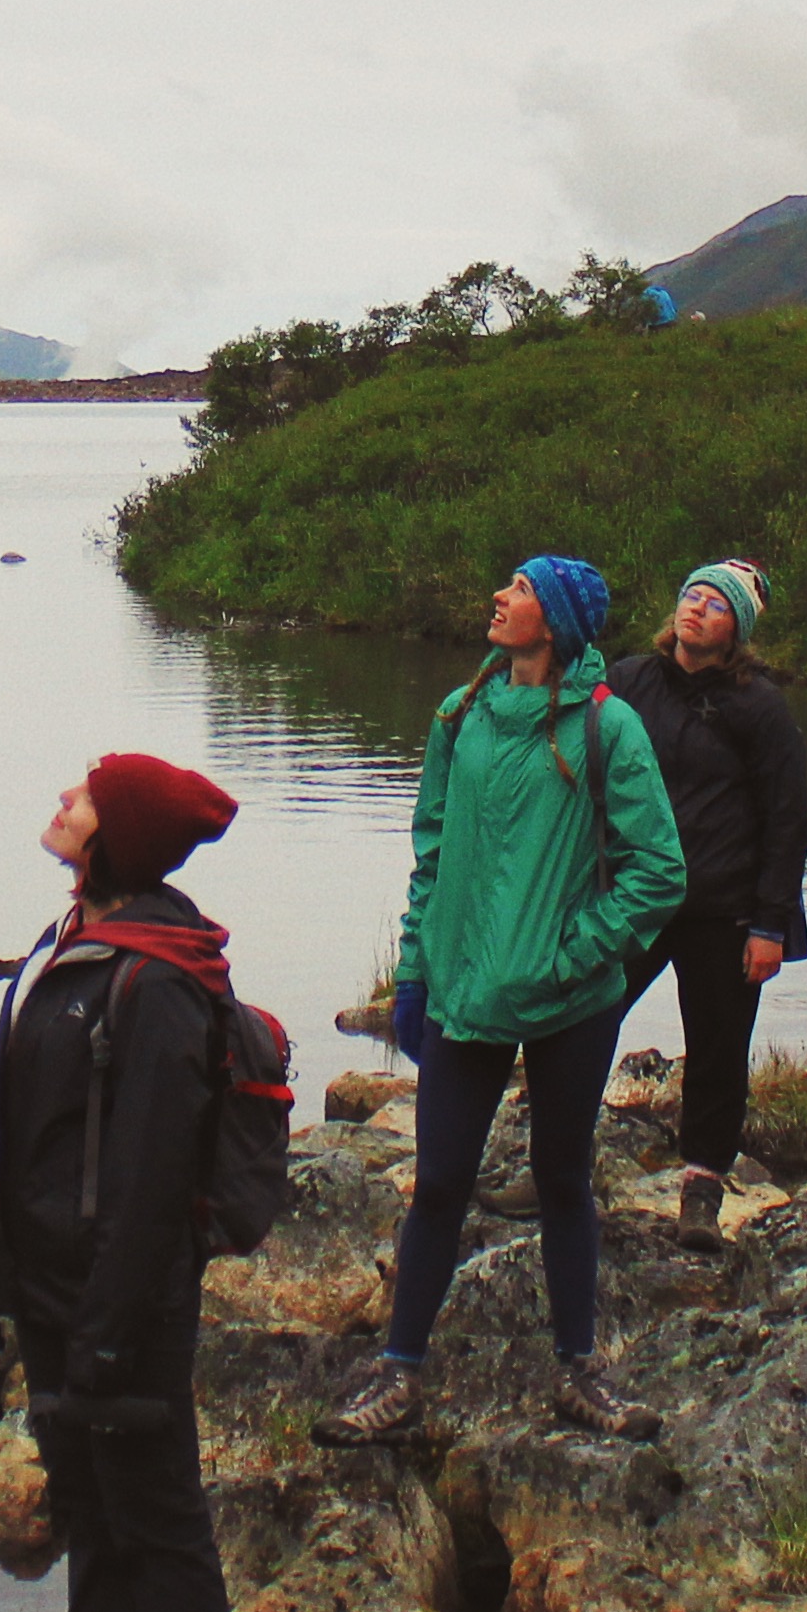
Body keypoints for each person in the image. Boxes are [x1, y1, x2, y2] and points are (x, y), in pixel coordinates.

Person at [323, 554, 688, 1447]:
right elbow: (433, 853)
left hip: (569, 999)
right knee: (439, 1181)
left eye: (519, 590)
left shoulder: (609, 727)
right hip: (463, 992)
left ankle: (580, 1371)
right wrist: (414, 970)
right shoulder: (461, 715)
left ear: (555, 622)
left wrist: (575, 952)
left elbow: (660, 871)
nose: (498, 596)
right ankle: (399, 1372)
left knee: (564, 1178)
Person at [0, 751, 248, 1612]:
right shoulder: (70, 941)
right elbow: (27, 1123)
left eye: (77, 799)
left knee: (158, 1517)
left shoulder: (161, 981)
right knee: (86, 1503)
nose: (57, 805)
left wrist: (113, 1326)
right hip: (50, 1281)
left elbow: (150, 1173)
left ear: (115, 835)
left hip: (122, 1297)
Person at [606, 559, 807, 1241]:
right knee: (576, 1019)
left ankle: (700, 1192)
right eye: (689, 593)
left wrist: (770, 925)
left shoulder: (759, 707)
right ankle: (552, 1164)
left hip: (723, 907)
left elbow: (786, 820)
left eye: (714, 604)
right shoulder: (629, 678)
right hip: (632, 895)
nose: (695, 608)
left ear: (735, 631)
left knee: (719, 1052)